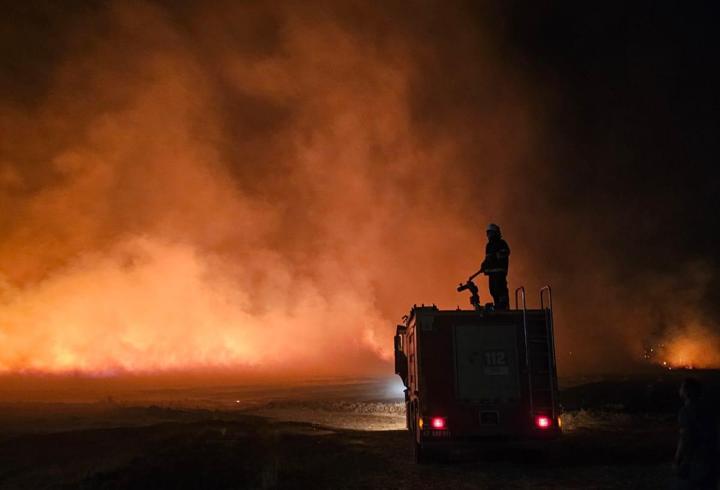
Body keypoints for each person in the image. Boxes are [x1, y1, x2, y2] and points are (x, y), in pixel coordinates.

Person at [674, 377, 718, 490]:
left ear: (687, 391)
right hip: (711, 457)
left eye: (681, 387)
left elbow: (685, 437)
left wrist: (679, 457)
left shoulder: (685, 412)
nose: (679, 390)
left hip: (695, 459)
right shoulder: (709, 409)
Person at [469, 223, 510, 310]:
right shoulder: (489, 246)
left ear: (495, 233)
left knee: (501, 290)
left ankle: (503, 306)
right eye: (488, 233)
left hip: (499, 273)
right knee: (493, 291)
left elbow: (505, 253)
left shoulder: (502, 243)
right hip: (491, 274)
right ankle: (498, 307)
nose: (488, 235)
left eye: (490, 233)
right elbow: (488, 259)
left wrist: (495, 256)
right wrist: (484, 265)